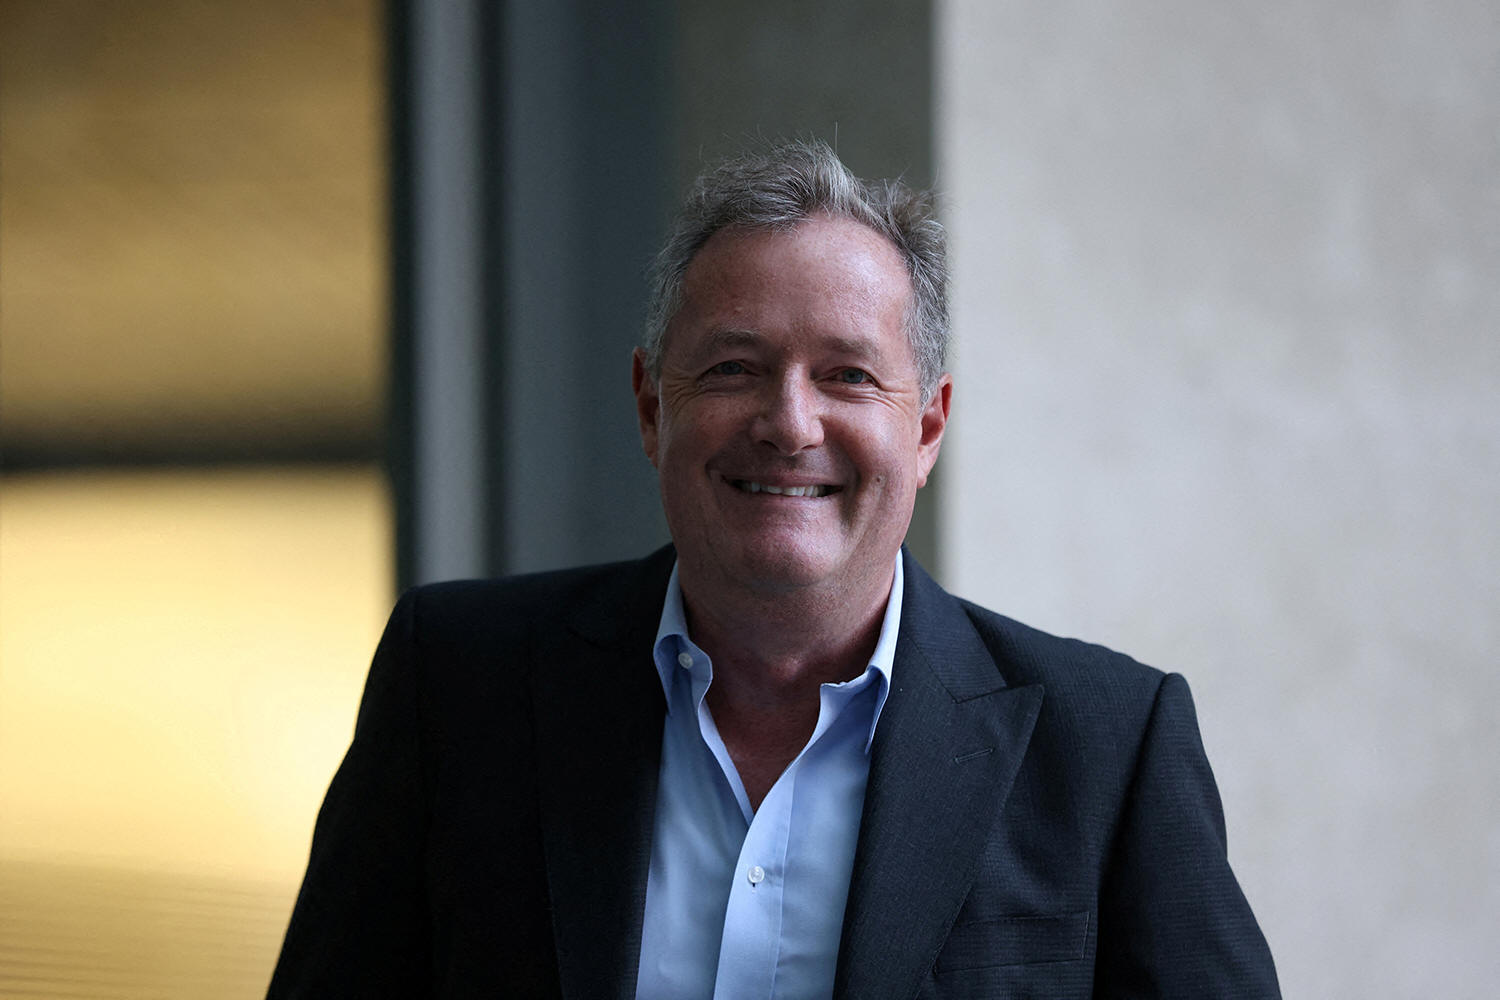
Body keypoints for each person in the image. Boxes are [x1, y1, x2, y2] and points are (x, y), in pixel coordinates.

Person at [267, 140, 1280, 999]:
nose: (790, 424)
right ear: (651, 408)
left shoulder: (1105, 749)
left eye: (847, 375)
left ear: (927, 427)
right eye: (733, 369)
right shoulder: (457, 686)